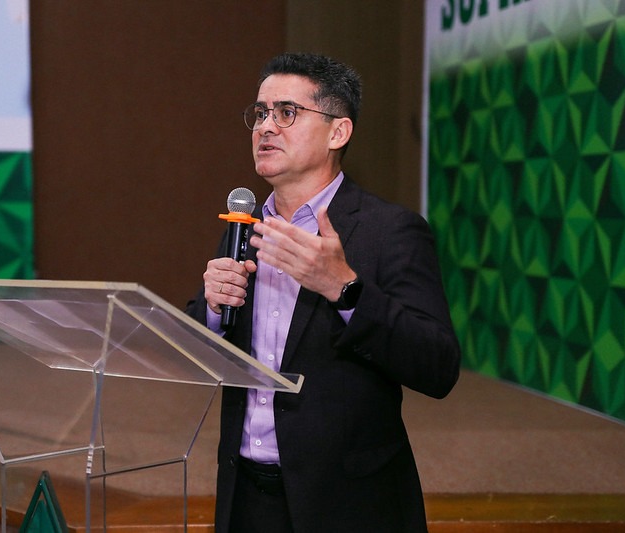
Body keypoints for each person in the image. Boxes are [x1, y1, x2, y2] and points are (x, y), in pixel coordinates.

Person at [186, 52, 461, 533]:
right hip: (245, 497)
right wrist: (210, 310)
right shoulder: (244, 227)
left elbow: (437, 366)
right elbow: (203, 349)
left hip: (347, 504)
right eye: (260, 113)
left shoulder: (389, 231)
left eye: (286, 113)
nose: (265, 127)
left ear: (338, 133)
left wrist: (345, 289)